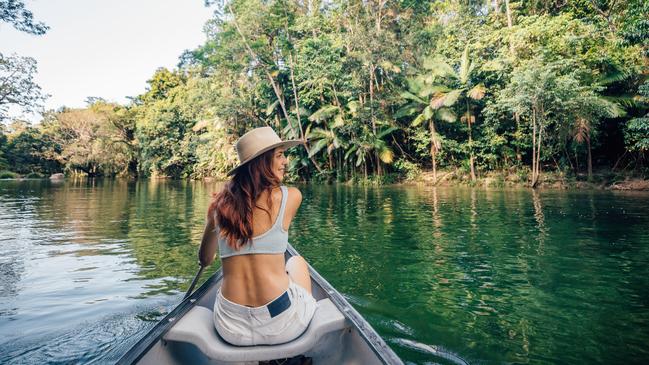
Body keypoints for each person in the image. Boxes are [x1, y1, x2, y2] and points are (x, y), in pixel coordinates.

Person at [198, 127, 317, 346]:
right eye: (280, 155)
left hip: (230, 328)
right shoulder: (291, 197)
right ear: (262, 163)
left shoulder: (218, 207)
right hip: (283, 326)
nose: (286, 162)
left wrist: (213, 226)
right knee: (297, 262)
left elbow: (204, 260)